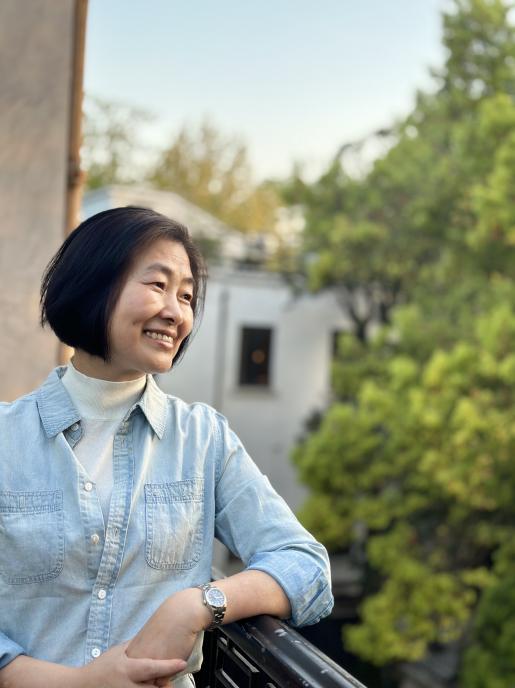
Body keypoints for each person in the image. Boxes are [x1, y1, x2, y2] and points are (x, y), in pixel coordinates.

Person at [0, 206, 334, 688]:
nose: (177, 313)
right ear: (93, 285)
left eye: (187, 296)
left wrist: (198, 604)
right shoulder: (8, 438)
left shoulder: (203, 440)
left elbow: (306, 566)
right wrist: (77, 683)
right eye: (158, 285)